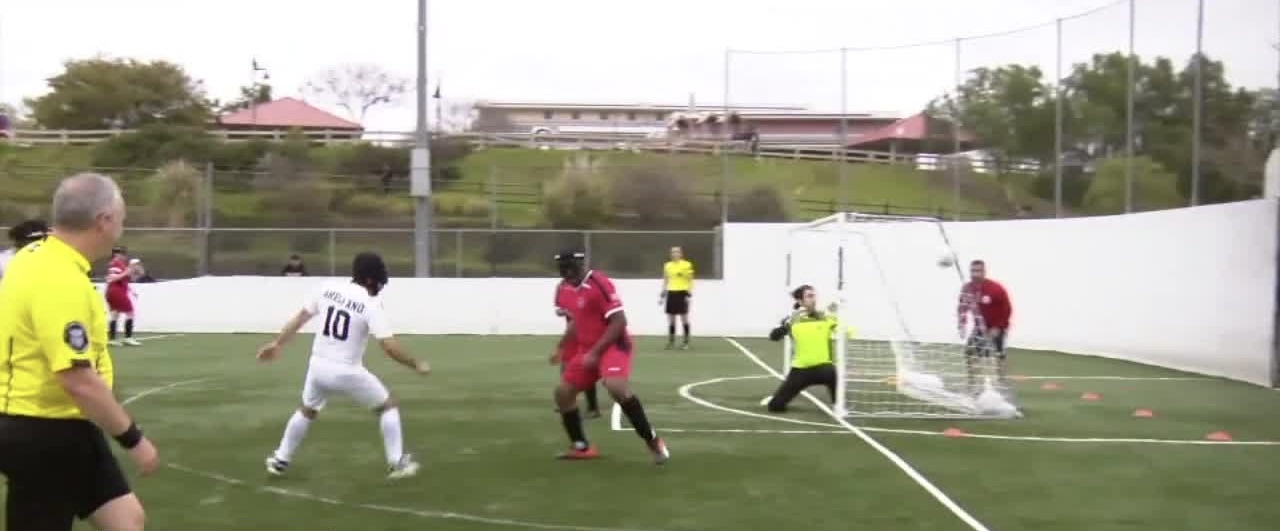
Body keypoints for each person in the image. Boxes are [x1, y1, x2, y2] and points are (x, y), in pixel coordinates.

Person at [0, 172, 157, 531]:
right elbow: (78, 380)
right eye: (122, 217)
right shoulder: (60, 278)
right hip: (44, 430)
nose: (122, 225)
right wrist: (134, 439)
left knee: (126, 519)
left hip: (60, 424)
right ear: (104, 221)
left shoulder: (34, 257)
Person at [257, 252, 428, 479]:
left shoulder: (326, 288)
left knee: (307, 410)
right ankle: (397, 463)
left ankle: (280, 459)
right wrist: (415, 363)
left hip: (318, 367)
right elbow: (388, 346)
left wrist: (277, 343)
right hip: (347, 371)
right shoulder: (370, 304)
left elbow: (300, 318)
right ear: (369, 279)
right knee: (388, 406)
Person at [553, 249, 669, 464]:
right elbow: (575, 323)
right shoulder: (565, 289)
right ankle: (581, 447)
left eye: (572, 268)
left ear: (582, 264)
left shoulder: (599, 283)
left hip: (613, 346)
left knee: (615, 386)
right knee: (562, 393)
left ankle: (652, 441)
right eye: (564, 270)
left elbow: (619, 321)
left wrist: (596, 352)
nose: (569, 274)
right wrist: (562, 347)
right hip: (586, 350)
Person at [764, 285, 839, 413]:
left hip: (825, 369)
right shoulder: (794, 319)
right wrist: (787, 325)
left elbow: (845, 330)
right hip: (801, 371)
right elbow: (774, 337)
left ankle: (838, 404)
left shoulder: (824, 317)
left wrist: (836, 312)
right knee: (775, 406)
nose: (813, 299)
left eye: (814, 295)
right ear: (800, 301)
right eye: (809, 296)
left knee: (838, 392)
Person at [956, 259, 1013, 396]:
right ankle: (972, 384)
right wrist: (962, 323)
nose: (975, 274)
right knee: (969, 352)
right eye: (973, 271)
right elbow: (962, 307)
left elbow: (1007, 309)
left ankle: (1001, 385)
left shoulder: (995, 289)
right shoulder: (967, 288)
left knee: (997, 356)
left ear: (984, 272)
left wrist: (998, 328)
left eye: (978, 271)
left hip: (997, 327)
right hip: (979, 327)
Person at [552, 277, 601, 418]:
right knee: (566, 366)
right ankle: (567, 401)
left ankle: (593, 407)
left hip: (585, 333)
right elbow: (558, 309)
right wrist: (564, 312)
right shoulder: (560, 285)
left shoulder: (584, 286)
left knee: (586, 367)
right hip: (571, 333)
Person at [659, 246, 694, 350]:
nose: (675, 254)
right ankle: (671, 341)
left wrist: (688, 294)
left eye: (677, 252)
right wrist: (663, 294)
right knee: (671, 319)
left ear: (681, 254)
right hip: (671, 293)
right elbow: (665, 280)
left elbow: (690, 280)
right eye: (673, 252)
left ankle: (685, 342)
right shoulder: (667, 265)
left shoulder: (687, 265)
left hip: (682, 293)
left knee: (684, 319)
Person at [105, 247, 139, 347]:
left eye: (121, 253)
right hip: (117, 292)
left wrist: (132, 291)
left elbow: (126, 280)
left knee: (115, 314)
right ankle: (128, 338)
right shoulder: (115, 264)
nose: (120, 255)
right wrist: (127, 271)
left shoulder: (120, 265)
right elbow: (112, 278)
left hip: (114, 291)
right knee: (130, 313)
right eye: (117, 253)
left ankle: (112, 339)